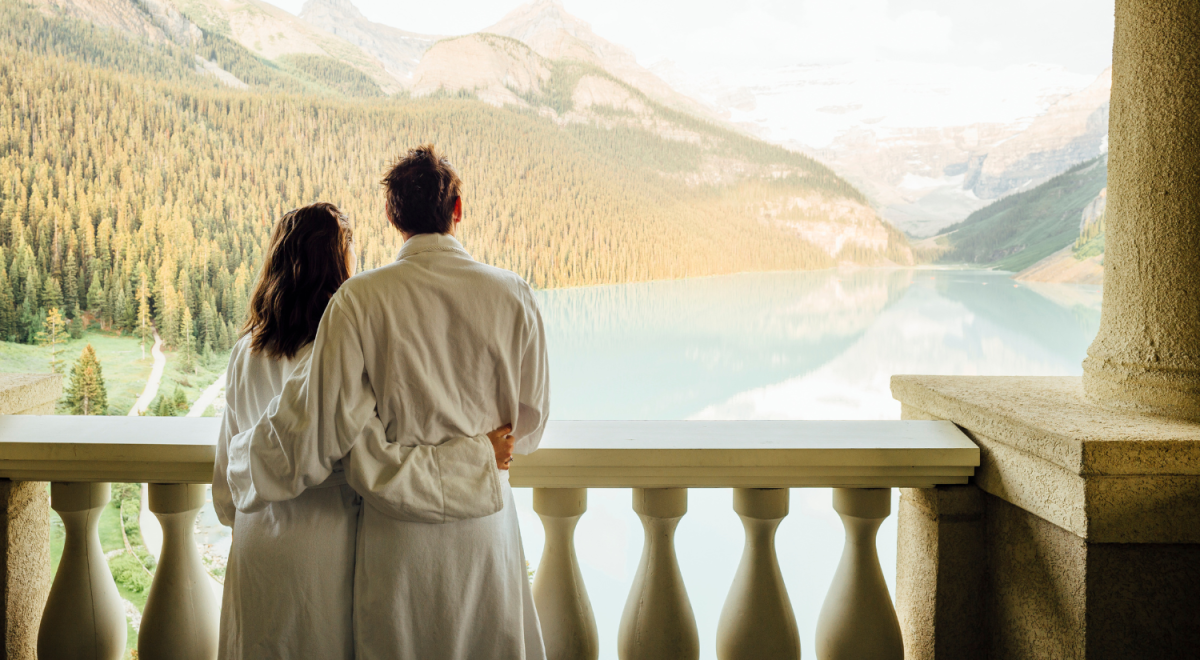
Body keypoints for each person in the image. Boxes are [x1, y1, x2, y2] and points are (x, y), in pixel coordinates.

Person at [225, 145, 550, 660]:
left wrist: (243, 465)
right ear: (458, 208)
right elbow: (528, 432)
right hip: (486, 527)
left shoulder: (359, 301)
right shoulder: (515, 295)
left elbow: (326, 429)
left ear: (392, 216)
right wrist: (479, 452)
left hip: (398, 544)